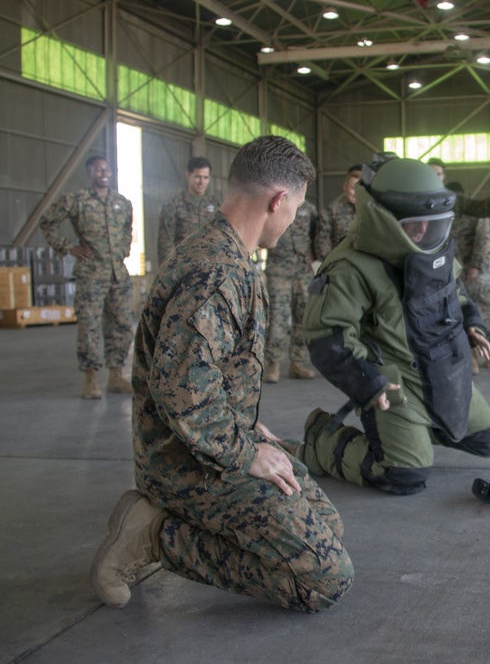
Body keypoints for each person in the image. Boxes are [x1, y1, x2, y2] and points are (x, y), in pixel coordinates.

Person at [90, 136, 353, 612]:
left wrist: (249, 428)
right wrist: (246, 451)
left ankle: (170, 527)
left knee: (326, 528)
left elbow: (205, 375)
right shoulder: (216, 272)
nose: (292, 222)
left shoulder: (225, 253)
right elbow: (183, 395)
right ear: (277, 202)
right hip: (185, 463)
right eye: (292, 210)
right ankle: (154, 535)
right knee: (323, 579)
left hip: (211, 443)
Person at [300, 154, 490, 496]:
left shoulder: (431, 245)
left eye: (432, 222)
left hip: (440, 370)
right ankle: (320, 439)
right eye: (413, 222)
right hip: (394, 385)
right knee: (403, 475)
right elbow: (326, 338)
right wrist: (369, 382)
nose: (424, 232)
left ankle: (416, 431)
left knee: (484, 438)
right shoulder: (350, 266)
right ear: (384, 217)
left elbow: (455, 294)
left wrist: (471, 323)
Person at [40, 155, 134, 399]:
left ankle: (116, 375)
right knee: (89, 326)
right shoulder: (76, 200)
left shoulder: (122, 203)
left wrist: (125, 249)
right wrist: (68, 248)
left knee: (122, 325)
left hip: (118, 275)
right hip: (91, 274)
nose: (103, 173)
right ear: (89, 173)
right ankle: (90, 378)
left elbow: (127, 229)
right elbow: (47, 222)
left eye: (106, 169)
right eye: (97, 170)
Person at [445, 179, 490, 372]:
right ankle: (472, 357)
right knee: (461, 314)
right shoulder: (448, 215)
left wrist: (475, 265)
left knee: (482, 311)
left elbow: (483, 240)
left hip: (474, 273)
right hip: (455, 271)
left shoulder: (476, 214)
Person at [264, 199, 320, 383]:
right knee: (278, 317)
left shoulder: (309, 209)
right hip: (278, 269)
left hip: (302, 270)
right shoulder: (275, 203)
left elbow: (318, 234)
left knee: (302, 317)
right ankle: (273, 363)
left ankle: (297, 362)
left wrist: (316, 253)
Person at [157, 156, 219, 264]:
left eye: (205, 178)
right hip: (183, 268)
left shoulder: (216, 205)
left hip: (210, 268)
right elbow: (165, 244)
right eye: (197, 177)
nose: (201, 182)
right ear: (188, 175)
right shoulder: (173, 206)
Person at [313, 165, 362, 261]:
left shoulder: (371, 211)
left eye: (359, 188)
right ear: (345, 187)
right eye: (353, 188)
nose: (356, 192)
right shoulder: (330, 212)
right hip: (340, 268)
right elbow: (322, 249)